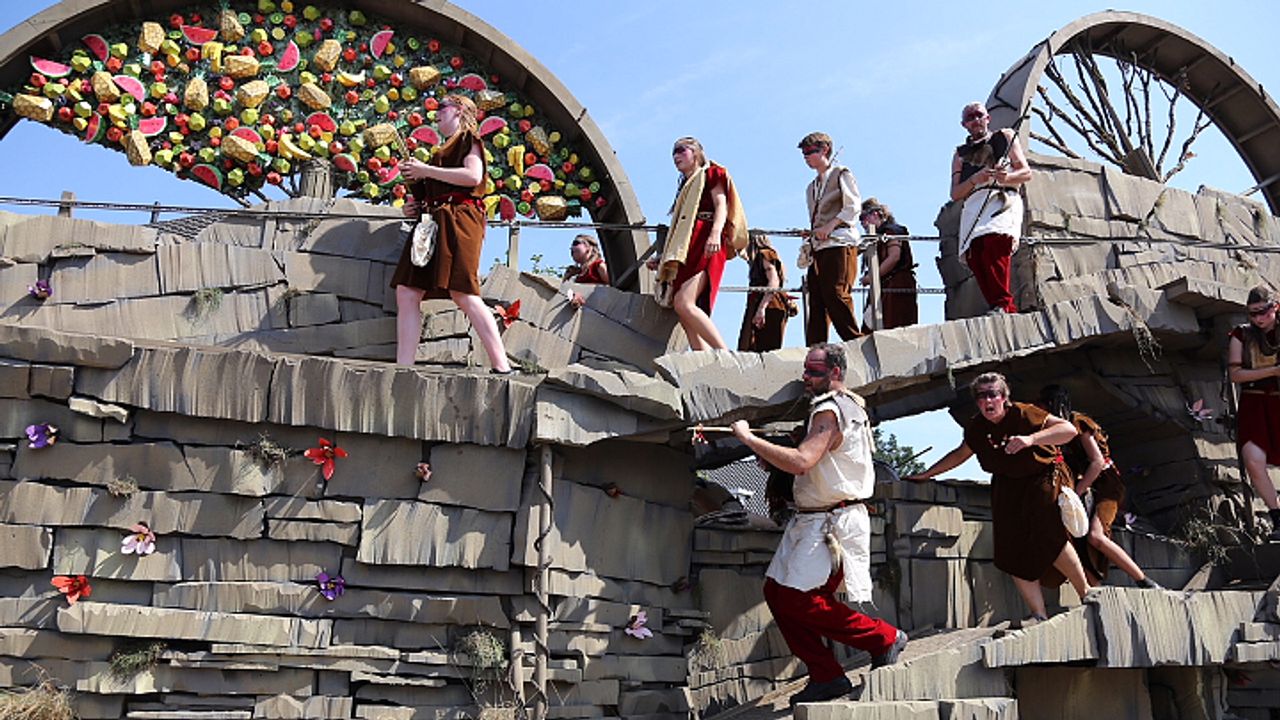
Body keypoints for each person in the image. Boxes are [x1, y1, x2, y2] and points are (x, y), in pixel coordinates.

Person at [731, 344, 907, 706]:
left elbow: (802, 461)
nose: (805, 378)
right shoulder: (842, 406)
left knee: (801, 599)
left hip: (832, 521)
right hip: (813, 517)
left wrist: (749, 439)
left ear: (836, 373)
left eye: (813, 371)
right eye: (806, 370)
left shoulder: (831, 409)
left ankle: (883, 638)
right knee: (777, 593)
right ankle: (826, 674)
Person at [904, 372, 1090, 625]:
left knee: (1049, 535)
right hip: (1006, 484)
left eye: (993, 394)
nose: (988, 400)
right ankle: (1038, 615)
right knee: (1010, 549)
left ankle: (1087, 594)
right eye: (981, 396)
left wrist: (1030, 439)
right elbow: (961, 454)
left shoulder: (1024, 414)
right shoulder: (977, 427)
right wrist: (927, 475)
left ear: (1004, 397)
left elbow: (1068, 430)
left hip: (1040, 478)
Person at [391, 94, 512, 373]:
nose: (435, 113)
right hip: (433, 222)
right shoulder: (440, 151)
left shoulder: (469, 139)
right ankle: (403, 368)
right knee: (408, 291)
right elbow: (436, 189)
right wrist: (415, 202)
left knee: (463, 292)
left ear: (459, 110)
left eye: (441, 108)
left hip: (460, 220)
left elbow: (472, 177)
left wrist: (426, 170)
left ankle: (502, 365)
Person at [1037, 385, 1162, 589]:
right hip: (1081, 487)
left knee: (1095, 536)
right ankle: (1095, 591)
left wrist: (1077, 492)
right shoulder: (1049, 430)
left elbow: (1097, 462)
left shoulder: (1077, 423)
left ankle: (1144, 581)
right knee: (1077, 542)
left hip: (1106, 485)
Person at [653, 137, 748, 350]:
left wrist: (715, 234)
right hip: (688, 245)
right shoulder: (688, 185)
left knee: (684, 302)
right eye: (673, 153)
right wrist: (663, 258)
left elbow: (721, 206)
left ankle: (724, 353)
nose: (676, 156)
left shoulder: (712, 173)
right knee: (681, 307)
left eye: (681, 150)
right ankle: (704, 359)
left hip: (706, 239)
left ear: (696, 152)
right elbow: (680, 228)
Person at [949, 102, 1031, 315]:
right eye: (970, 117)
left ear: (988, 118)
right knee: (976, 256)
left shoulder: (1005, 136)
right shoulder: (960, 154)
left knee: (995, 243)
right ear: (964, 124)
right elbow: (955, 193)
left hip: (1001, 197)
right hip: (974, 204)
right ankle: (998, 305)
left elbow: (1025, 173)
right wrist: (975, 179)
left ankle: (1004, 304)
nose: (975, 120)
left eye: (979, 115)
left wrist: (1007, 177)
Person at [1227, 284, 1280, 540]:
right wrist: (1272, 371)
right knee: (1253, 460)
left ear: (1275, 307)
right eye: (1253, 313)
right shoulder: (1241, 335)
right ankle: (1278, 517)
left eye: (1263, 311)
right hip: (1255, 403)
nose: (1258, 318)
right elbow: (1235, 374)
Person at [800, 132, 863, 344]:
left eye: (810, 151)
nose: (806, 156)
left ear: (825, 149)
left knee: (836, 294)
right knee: (817, 300)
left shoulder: (841, 173)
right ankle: (816, 349)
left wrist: (831, 225)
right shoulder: (811, 187)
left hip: (839, 242)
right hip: (819, 247)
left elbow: (853, 206)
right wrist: (812, 232)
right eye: (804, 153)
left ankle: (855, 341)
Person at [858, 198, 917, 330]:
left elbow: (894, 257)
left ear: (875, 214)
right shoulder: (873, 238)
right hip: (882, 286)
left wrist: (871, 277)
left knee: (894, 329)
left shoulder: (891, 230)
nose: (862, 222)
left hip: (896, 284)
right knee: (871, 329)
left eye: (863, 217)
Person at [737, 231, 791, 352]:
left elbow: (773, 281)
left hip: (767, 304)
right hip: (761, 303)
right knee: (754, 349)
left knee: (760, 349)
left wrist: (761, 309)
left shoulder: (765, 254)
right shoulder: (762, 257)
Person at [562, 233, 609, 308]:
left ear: (588, 247)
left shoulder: (598, 266)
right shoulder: (574, 275)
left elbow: (612, 287)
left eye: (576, 243)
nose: (571, 248)